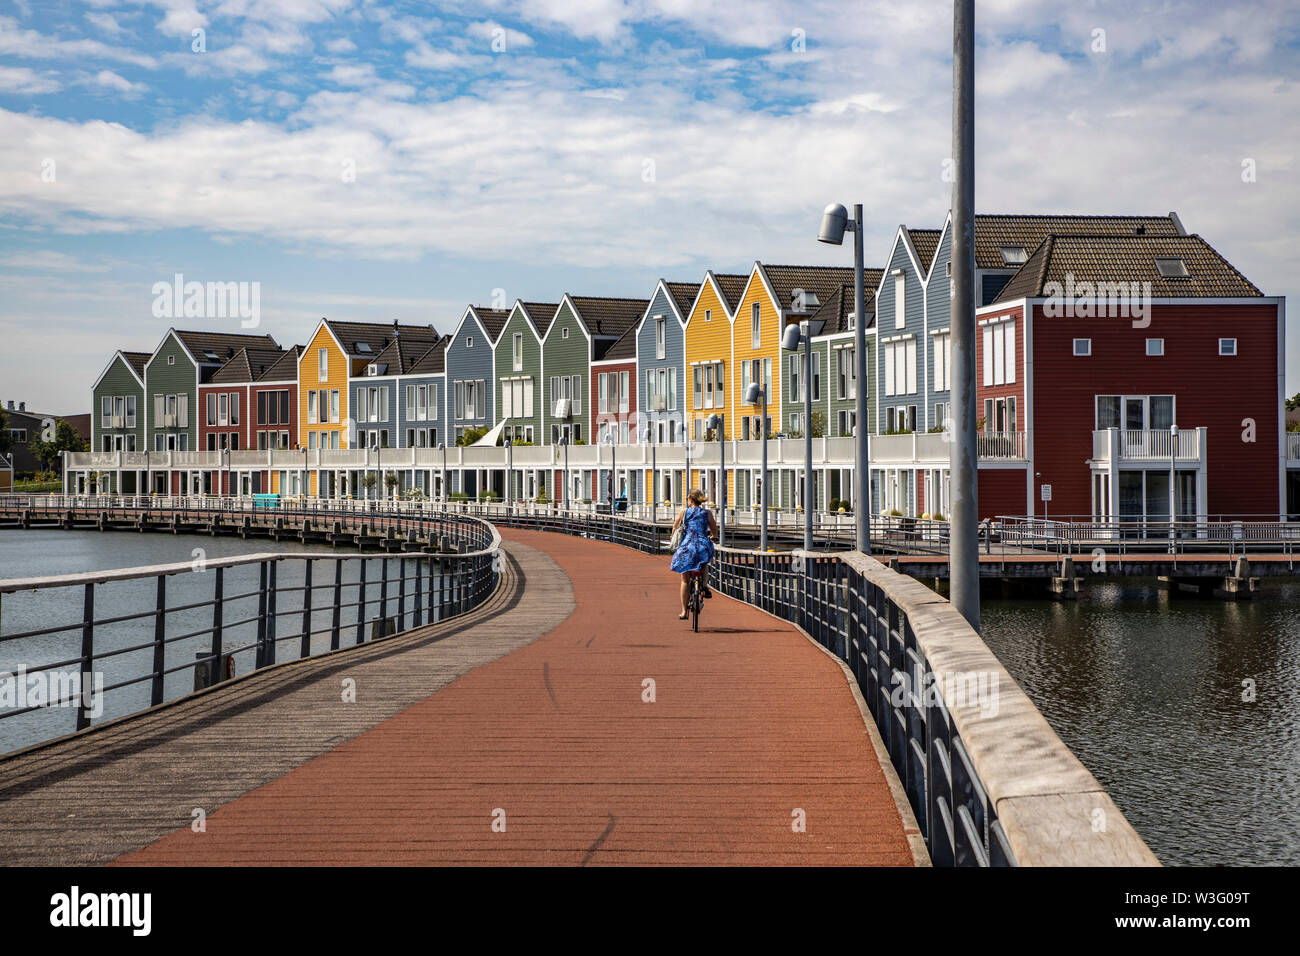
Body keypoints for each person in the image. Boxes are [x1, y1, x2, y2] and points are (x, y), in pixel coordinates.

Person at [669, 488, 718, 620]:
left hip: (687, 546)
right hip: (702, 545)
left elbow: (675, 526)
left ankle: (684, 611)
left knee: (684, 580)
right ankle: (705, 585)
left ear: (690, 499)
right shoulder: (707, 513)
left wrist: (672, 536)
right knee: (704, 562)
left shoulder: (684, 512)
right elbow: (713, 528)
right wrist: (714, 536)